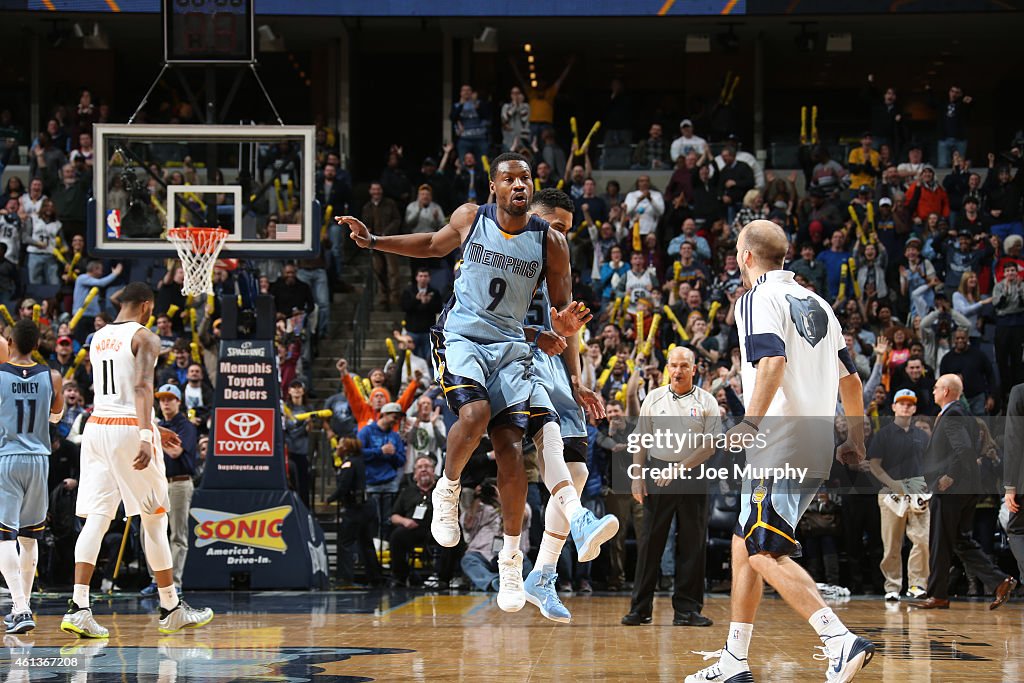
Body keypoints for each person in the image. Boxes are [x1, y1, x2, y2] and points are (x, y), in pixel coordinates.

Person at [335, 152, 595, 613]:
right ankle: (447, 488)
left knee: (512, 449)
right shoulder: (472, 217)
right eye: (509, 179)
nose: (519, 185)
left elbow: (558, 311)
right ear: (494, 186)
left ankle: (512, 567)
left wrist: (565, 327)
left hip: (512, 347)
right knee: (473, 414)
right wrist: (374, 240)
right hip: (461, 335)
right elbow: (433, 245)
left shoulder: (551, 242)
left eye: (526, 178)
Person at [685, 221, 875, 683]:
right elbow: (850, 380)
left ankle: (838, 639)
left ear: (745, 257)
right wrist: (856, 439)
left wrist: (751, 421)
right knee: (744, 542)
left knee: (764, 549)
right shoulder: (819, 304)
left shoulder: (755, 298)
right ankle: (735, 658)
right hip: (816, 443)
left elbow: (772, 361)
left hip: (779, 441)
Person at [61, 282, 212, 638]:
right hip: (130, 429)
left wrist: (152, 428)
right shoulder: (145, 337)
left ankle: (79, 606)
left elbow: (116, 396)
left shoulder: (97, 337)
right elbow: (142, 388)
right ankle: (171, 607)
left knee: (97, 520)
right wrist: (146, 434)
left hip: (98, 426)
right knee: (155, 520)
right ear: (146, 306)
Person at [521, 190, 618, 623]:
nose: (561, 236)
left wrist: (578, 380)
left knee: (577, 471)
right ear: (531, 218)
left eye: (567, 230)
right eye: (555, 227)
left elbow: (572, 330)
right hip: (517, 361)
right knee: (553, 443)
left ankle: (542, 575)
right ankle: (578, 522)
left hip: (558, 369)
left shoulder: (561, 269)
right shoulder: (506, 254)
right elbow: (485, 320)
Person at [622, 346, 719, 628]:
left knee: (692, 544)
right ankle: (640, 609)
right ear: (667, 367)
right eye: (673, 366)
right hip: (657, 473)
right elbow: (640, 440)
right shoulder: (653, 398)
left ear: (694, 369)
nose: (678, 371)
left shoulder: (707, 401)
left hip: (693, 475)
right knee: (650, 543)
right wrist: (637, 476)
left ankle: (687, 611)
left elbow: (709, 446)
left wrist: (678, 469)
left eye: (684, 366)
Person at [913, 374, 1017, 609]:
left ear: (947, 391)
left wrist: (950, 475)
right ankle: (1000, 581)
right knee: (960, 541)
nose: (932, 391)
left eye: (937, 387)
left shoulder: (954, 414)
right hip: (966, 489)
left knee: (940, 542)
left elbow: (965, 449)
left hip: (953, 490)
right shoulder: (960, 413)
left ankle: (938, 595)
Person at [0, 321, 60, 634]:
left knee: (4, 536)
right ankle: (22, 607)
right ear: (37, 344)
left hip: (7, 457)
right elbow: (56, 416)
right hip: (40, 459)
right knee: (29, 536)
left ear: (9, 341)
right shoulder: (53, 376)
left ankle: (20, 607)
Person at [867, 389, 931, 602]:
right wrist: (893, 483)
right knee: (892, 543)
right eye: (901, 403)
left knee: (921, 540)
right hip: (890, 493)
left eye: (910, 404)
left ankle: (917, 584)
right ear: (893, 406)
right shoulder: (883, 434)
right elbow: (874, 465)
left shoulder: (922, 435)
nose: (906, 406)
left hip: (917, 492)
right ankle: (892, 586)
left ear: (914, 408)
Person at [140, 383, 198, 596]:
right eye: (162, 399)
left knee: (177, 534)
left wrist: (152, 437)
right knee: (147, 532)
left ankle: (174, 581)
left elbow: (175, 452)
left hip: (179, 483)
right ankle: (157, 579)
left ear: (178, 402)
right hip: (157, 483)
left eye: (169, 399)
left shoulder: (186, 426)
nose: (165, 403)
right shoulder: (158, 425)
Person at [388, 455, 439, 587]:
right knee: (396, 536)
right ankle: (401, 575)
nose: (424, 470)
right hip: (414, 528)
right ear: (415, 474)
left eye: (427, 467)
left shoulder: (442, 490)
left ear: (433, 471)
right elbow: (394, 516)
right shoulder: (407, 492)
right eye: (420, 467)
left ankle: (442, 577)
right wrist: (405, 521)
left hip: (438, 529)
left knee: (453, 536)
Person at [400, 268, 444, 364]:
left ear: (429, 278)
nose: (423, 278)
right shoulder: (409, 291)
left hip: (427, 331)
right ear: (416, 278)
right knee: (410, 357)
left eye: (425, 276)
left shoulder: (434, 291)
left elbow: (439, 309)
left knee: (428, 359)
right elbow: (404, 307)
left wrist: (428, 302)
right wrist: (416, 300)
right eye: (421, 276)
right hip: (412, 331)